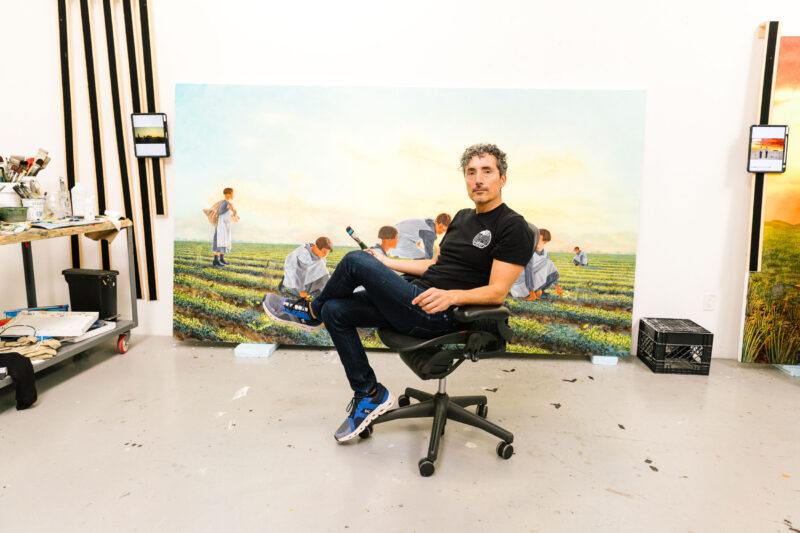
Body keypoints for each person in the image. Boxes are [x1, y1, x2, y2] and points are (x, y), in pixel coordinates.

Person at [263, 143, 534, 443]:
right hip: (417, 295)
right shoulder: (461, 217)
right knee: (335, 311)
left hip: (441, 313)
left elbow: (497, 292)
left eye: (487, 171)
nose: (478, 180)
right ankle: (369, 393)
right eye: (471, 172)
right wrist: (386, 262)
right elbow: (434, 265)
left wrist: (452, 296)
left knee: (354, 261)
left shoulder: (512, 226)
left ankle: (311, 312)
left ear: (502, 178)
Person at [509, 227, 563, 301]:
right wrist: (531, 292)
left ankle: (536, 291)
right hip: (521, 283)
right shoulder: (529, 251)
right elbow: (528, 272)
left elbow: (549, 269)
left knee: (548, 263)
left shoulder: (545, 253)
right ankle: (531, 293)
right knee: (547, 263)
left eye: (541, 240)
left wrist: (557, 286)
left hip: (534, 281)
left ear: (545, 242)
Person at [203, 187, 239, 267]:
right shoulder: (225, 202)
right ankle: (216, 261)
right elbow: (219, 212)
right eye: (233, 193)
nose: (234, 195)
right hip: (221, 226)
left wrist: (233, 211)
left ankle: (221, 259)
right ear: (229, 194)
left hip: (224, 225)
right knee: (218, 242)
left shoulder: (228, 202)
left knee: (224, 242)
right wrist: (229, 208)